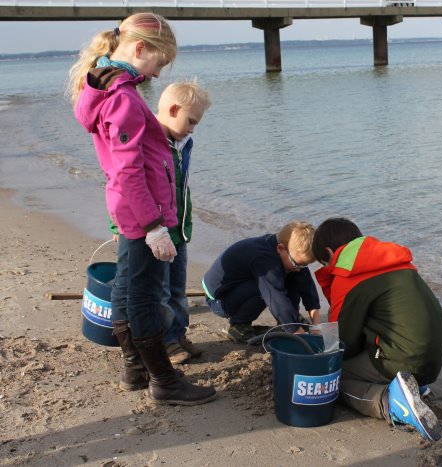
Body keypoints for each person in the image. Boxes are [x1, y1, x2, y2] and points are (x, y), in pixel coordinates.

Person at [69, 13, 216, 405]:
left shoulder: (106, 87)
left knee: (127, 285)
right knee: (145, 296)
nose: (156, 74)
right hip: (142, 212)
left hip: (130, 210)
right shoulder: (123, 98)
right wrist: (154, 225)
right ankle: (164, 380)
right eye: (159, 63)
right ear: (139, 49)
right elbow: (128, 168)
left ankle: (135, 367)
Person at [311, 217, 442, 441]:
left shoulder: (348, 276)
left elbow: (344, 343)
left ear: (328, 252)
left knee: (330, 378)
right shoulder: (395, 261)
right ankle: (415, 386)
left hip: (402, 359)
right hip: (433, 361)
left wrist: (322, 343)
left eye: (323, 263)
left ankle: (389, 401)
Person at [109, 81, 212, 365]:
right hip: (154, 228)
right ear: (173, 109)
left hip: (178, 229)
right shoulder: (147, 139)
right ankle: (165, 342)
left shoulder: (183, 144)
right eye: (190, 121)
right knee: (160, 291)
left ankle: (178, 334)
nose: (192, 128)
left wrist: (185, 222)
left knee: (177, 288)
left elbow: (181, 188)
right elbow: (122, 181)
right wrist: (116, 224)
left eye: (196, 123)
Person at [202, 221, 322, 341]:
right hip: (220, 299)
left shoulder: (290, 254)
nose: (298, 269)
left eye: (304, 265)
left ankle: (290, 318)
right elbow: (275, 297)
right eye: (297, 264)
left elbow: (308, 289)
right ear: (280, 248)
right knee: (266, 288)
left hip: (243, 285)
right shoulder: (264, 259)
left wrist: (316, 327)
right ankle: (238, 325)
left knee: (293, 275)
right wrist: (296, 332)